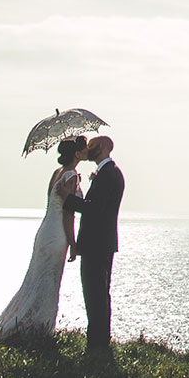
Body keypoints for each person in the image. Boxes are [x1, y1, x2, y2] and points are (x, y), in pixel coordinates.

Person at [0, 135, 86, 341]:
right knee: (49, 280)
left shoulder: (57, 173)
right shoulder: (71, 176)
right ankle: (38, 327)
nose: (87, 150)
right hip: (59, 232)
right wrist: (72, 243)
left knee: (36, 278)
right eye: (84, 148)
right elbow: (69, 213)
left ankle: (26, 321)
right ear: (77, 153)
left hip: (45, 230)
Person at [67, 135, 124, 354]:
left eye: (92, 146)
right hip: (101, 243)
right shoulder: (108, 173)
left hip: (97, 244)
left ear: (102, 148)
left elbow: (94, 208)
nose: (88, 148)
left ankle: (97, 344)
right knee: (97, 293)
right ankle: (98, 341)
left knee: (95, 293)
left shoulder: (108, 175)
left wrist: (68, 199)